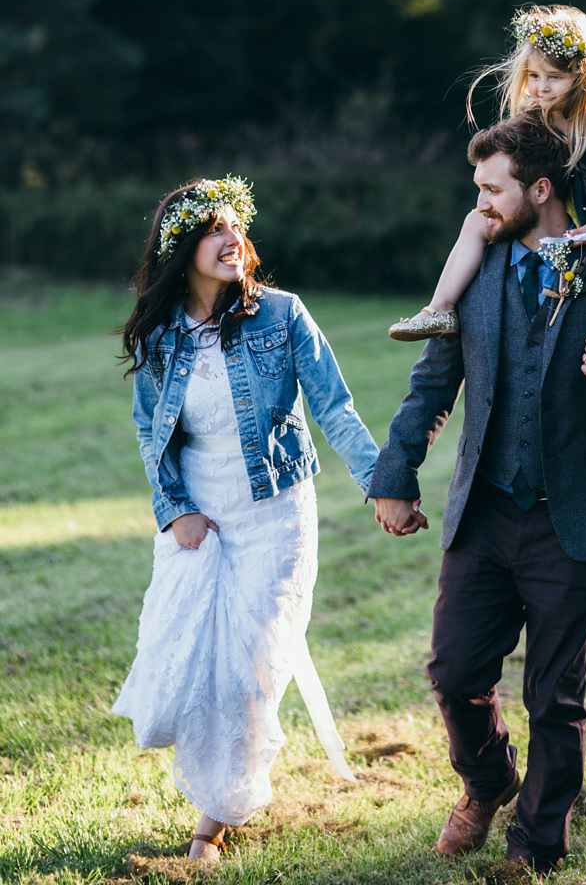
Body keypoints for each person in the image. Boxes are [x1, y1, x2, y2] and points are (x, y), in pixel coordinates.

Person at [371, 115, 586, 874]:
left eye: (491, 188)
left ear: (540, 190)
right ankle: (487, 783)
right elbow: (432, 385)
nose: (477, 203)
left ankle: (536, 847)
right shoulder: (476, 270)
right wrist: (396, 474)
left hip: (576, 518)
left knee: (555, 699)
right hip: (484, 510)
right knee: (454, 675)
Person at [114, 176, 379, 862]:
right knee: (186, 671)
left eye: (236, 226)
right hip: (201, 520)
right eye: (213, 229)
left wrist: (382, 481)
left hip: (276, 515)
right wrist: (176, 511)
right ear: (182, 248)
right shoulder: (162, 335)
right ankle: (221, 788)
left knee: (248, 672)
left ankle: (213, 822)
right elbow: (151, 431)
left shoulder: (283, 316)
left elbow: (336, 409)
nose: (232, 239)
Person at [389, 4, 586, 401]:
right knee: (474, 222)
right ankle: (439, 309)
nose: (541, 87)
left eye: (555, 78)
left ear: (581, 78)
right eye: (534, 76)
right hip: (562, 212)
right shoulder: (534, 120)